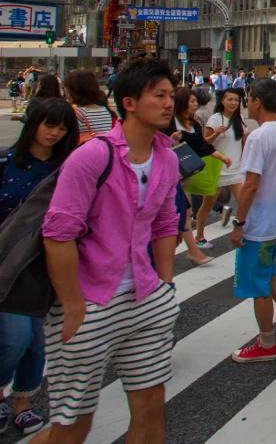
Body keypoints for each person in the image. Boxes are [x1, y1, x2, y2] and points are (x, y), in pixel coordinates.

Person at [35, 58, 182, 444]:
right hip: (90, 300)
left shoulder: (166, 157)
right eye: (159, 95)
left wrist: (165, 285)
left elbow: (166, 223)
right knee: (72, 426)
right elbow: (58, 234)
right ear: (130, 102)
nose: (169, 103)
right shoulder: (92, 157)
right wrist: (71, 306)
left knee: (151, 408)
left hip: (146, 296)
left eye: (170, 95)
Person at [0, 99, 78, 435]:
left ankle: (22, 404)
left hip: (48, 261)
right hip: (7, 260)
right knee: (15, 338)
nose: (55, 133)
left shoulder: (69, 166)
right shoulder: (6, 161)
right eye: (49, 125)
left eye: (61, 127)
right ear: (33, 123)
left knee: (36, 341)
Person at [229, 79, 276, 363]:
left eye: (248, 98)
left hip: (260, 223)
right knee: (268, 269)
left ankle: (266, 341)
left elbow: (250, 185)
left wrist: (239, 223)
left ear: (257, 100)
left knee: (257, 282)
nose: (246, 103)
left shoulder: (259, 137)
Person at [168, 87, 233, 249]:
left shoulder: (194, 124)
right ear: (182, 103)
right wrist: (170, 140)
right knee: (179, 211)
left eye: (196, 101)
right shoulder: (169, 122)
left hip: (184, 175)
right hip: (167, 175)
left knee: (186, 211)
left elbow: (203, 146)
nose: (195, 104)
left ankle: (193, 246)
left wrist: (222, 157)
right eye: (192, 101)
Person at [207, 88, 248, 229]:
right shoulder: (215, 119)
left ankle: (244, 232)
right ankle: (199, 236)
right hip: (218, 169)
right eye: (229, 99)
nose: (233, 103)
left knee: (244, 203)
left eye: (236, 100)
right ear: (222, 101)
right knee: (207, 207)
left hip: (236, 169)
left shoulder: (240, 119)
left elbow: (242, 142)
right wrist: (216, 134)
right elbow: (205, 143)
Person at [64, 70, 116, 142]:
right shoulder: (105, 110)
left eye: (66, 88)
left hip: (82, 151)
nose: (65, 91)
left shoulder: (76, 114)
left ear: (74, 91)